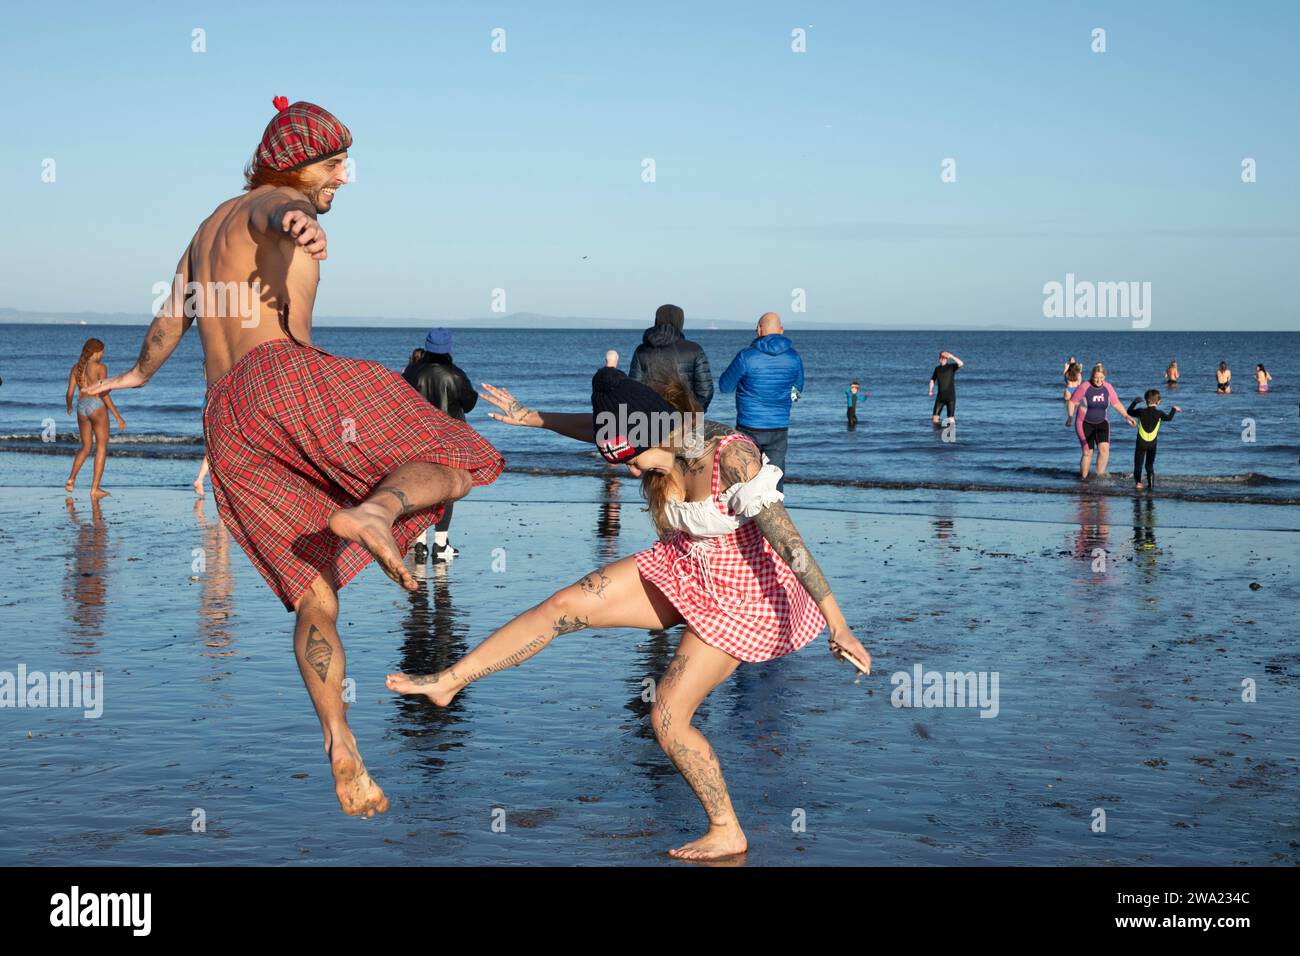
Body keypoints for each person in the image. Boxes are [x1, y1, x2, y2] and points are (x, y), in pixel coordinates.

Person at [85, 96, 505, 817]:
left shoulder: (201, 231)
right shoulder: (276, 202)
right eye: (335, 163)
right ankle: (374, 511)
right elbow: (269, 214)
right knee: (465, 457)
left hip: (227, 419)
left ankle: (339, 739)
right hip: (285, 377)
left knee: (315, 597)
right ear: (291, 163)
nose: (345, 178)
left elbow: (170, 318)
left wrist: (135, 375)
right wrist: (293, 220)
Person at [386, 368, 871, 860]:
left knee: (666, 716)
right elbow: (597, 429)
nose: (631, 472)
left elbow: (789, 542)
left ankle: (727, 828)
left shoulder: (729, 456)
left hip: (743, 597)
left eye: (632, 459)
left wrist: (838, 623)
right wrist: (532, 419)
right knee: (562, 607)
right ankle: (450, 680)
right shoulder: (648, 433)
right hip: (683, 566)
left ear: (656, 432)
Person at [401, 328, 480, 562]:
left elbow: (401, 403)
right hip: (450, 439)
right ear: (448, 349)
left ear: (427, 347)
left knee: (421, 487)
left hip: (418, 439)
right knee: (447, 491)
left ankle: (419, 543)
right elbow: (469, 404)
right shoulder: (456, 375)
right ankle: (441, 544)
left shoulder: (412, 373)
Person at [717, 312, 804, 491]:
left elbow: (725, 387)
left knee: (746, 477)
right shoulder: (794, 357)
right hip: (779, 426)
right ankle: (774, 516)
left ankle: (745, 517)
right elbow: (797, 392)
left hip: (749, 425)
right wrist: (782, 399)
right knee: (775, 478)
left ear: (758, 329)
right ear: (781, 331)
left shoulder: (746, 356)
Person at [64, 338, 126, 497]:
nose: (103, 354)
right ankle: (95, 489)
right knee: (101, 448)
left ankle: (71, 479)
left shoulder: (75, 368)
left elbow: (70, 393)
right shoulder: (101, 368)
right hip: (96, 406)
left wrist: (69, 406)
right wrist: (117, 415)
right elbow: (104, 394)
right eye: (102, 351)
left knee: (85, 447)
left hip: (81, 407)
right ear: (96, 352)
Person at [628, 304, 714, 411]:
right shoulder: (694, 350)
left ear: (657, 321)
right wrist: (693, 414)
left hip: (651, 418)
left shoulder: (642, 350)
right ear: (680, 322)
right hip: (687, 418)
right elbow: (705, 392)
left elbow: (634, 389)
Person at [1066, 363, 1136, 479]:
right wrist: (1070, 417)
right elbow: (1072, 402)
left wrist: (1127, 416)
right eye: (1096, 378)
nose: (1098, 380)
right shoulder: (1084, 386)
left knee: (1104, 450)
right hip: (1084, 423)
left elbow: (1116, 403)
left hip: (1102, 423)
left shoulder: (1108, 387)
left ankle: (1099, 477)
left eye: (1101, 378)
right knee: (1088, 452)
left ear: (1105, 377)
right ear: (1092, 376)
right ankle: (1083, 479)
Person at [1126, 389, 1179, 491]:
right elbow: (1169, 418)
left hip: (1141, 443)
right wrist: (1174, 409)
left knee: (1138, 464)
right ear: (1158, 402)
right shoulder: (1160, 413)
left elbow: (1129, 412)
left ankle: (1138, 483)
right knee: (1149, 465)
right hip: (1152, 444)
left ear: (1146, 401)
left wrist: (1134, 402)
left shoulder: (1140, 411)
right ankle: (1151, 486)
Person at [928, 350, 964, 425]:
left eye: (945, 358)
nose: (943, 359)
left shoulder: (951, 367)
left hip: (950, 397)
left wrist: (951, 356)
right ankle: (936, 434)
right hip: (940, 397)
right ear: (939, 359)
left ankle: (951, 434)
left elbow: (961, 363)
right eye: (941, 357)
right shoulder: (937, 369)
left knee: (950, 418)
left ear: (947, 359)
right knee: (935, 417)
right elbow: (932, 380)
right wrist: (930, 390)